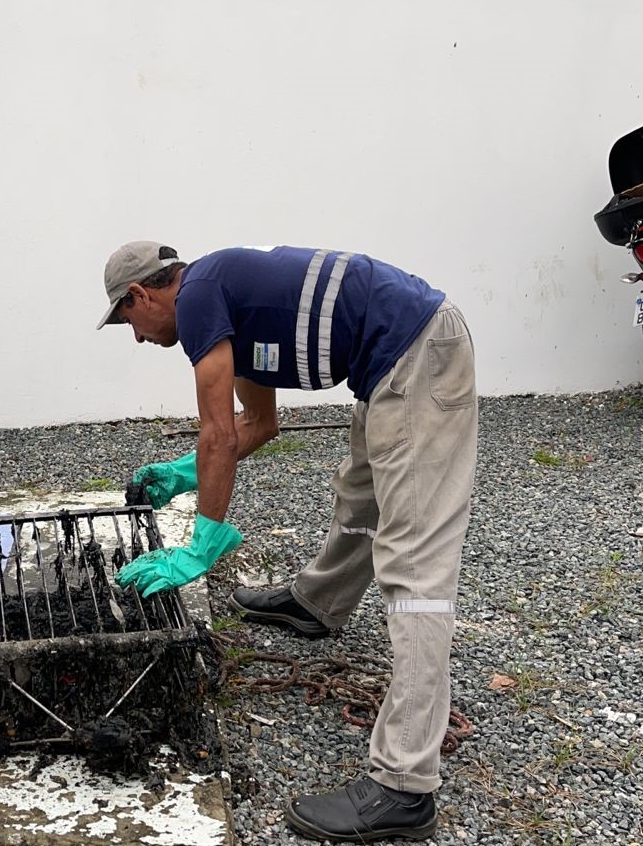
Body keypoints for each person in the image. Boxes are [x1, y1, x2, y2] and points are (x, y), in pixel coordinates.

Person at [101, 241, 477, 843]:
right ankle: (318, 604)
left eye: (128, 321)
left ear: (142, 294)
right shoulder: (228, 303)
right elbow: (259, 425)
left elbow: (217, 433)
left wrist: (201, 545)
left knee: (414, 562)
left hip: (416, 353)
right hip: (391, 362)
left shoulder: (199, 300)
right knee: (361, 496)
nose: (138, 338)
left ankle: (405, 786)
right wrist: (180, 474)